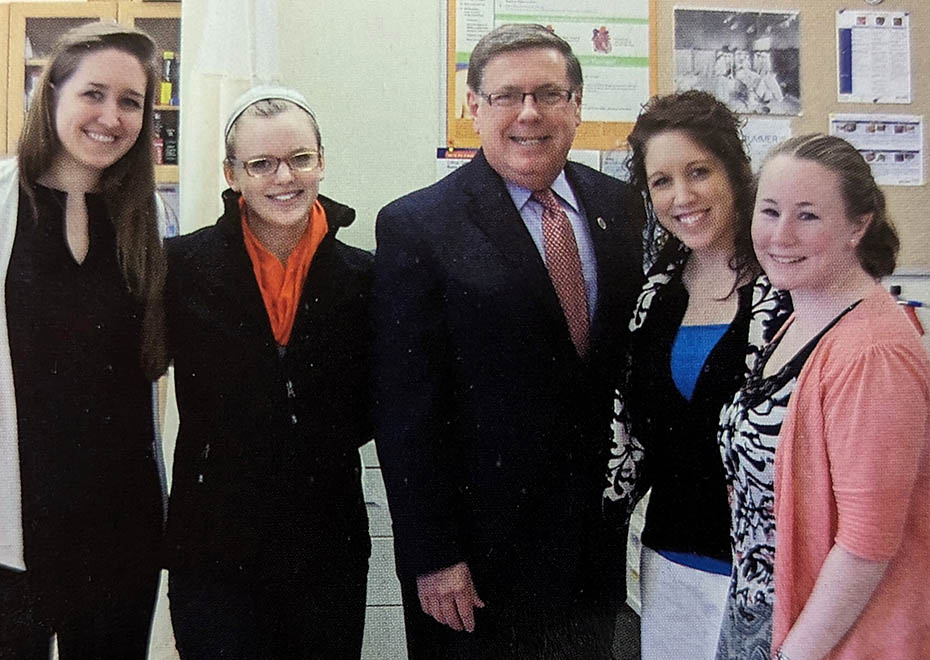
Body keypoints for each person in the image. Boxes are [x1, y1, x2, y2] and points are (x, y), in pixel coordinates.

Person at [372, 23, 643, 659]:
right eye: (506, 96)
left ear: (577, 104)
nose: (529, 112)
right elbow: (405, 409)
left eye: (549, 93)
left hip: (594, 554)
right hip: (476, 565)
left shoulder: (626, 208)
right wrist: (433, 556)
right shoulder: (419, 224)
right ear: (474, 107)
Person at [0, 22, 168, 659]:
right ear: (51, 96)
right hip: (6, 529)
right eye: (93, 94)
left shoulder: (150, 217)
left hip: (121, 527)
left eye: (131, 102)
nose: (111, 116)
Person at [164, 86, 372, 660]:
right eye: (262, 164)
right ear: (232, 174)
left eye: (300, 159)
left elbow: (379, 401)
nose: (285, 177)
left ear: (322, 162)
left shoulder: (365, 277)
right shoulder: (180, 268)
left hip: (326, 544)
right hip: (212, 546)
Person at [717, 133, 930, 660]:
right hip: (762, 609)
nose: (780, 235)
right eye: (769, 211)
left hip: (830, 635)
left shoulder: (873, 352)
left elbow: (866, 546)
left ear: (859, 225)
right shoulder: (797, 314)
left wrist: (794, 654)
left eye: (808, 216)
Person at [602, 91, 763, 659]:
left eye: (699, 172)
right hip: (667, 564)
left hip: (766, 574)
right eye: (662, 181)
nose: (683, 196)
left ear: (735, 174)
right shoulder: (655, 295)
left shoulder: (786, 290)